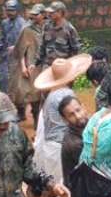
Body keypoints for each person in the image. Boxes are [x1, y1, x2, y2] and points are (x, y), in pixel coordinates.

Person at [32, 54, 92, 188]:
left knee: (57, 187)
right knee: (64, 188)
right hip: (61, 148)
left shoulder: (51, 95)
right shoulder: (66, 95)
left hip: (51, 147)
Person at [9, 3, 45, 122]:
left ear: (43, 15)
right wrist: (23, 66)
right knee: (27, 91)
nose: (34, 17)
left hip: (44, 64)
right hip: (31, 64)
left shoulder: (49, 27)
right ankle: (27, 115)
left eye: (37, 14)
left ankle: (39, 118)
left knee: (41, 93)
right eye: (33, 15)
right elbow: (20, 50)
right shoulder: (27, 29)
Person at [35, 1, 82, 67]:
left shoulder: (69, 29)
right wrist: (36, 63)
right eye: (49, 13)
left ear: (60, 12)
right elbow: (42, 46)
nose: (49, 14)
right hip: (48, 67)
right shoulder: (47, 26)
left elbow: (77, 49)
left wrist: (73, 66)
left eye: (52, 13)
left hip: (63, 68)